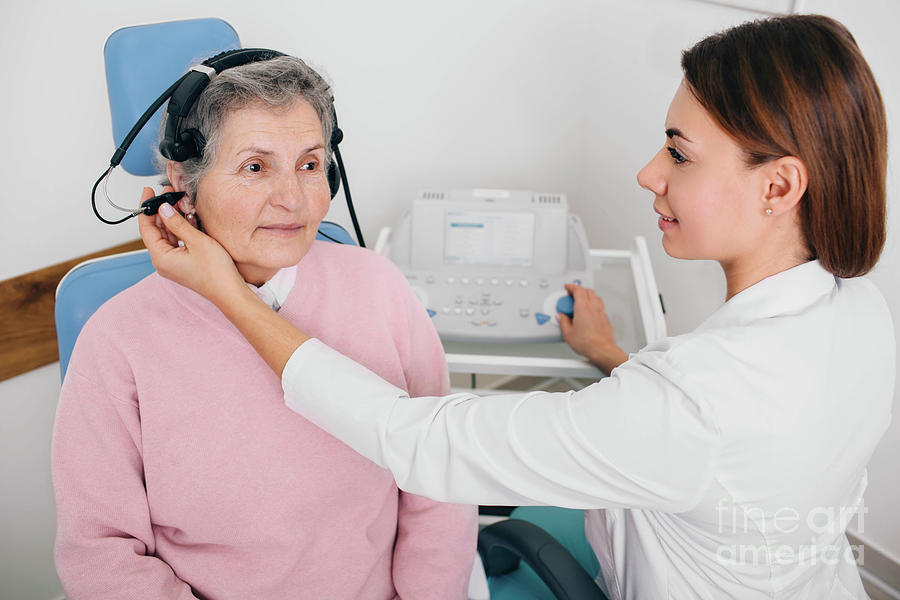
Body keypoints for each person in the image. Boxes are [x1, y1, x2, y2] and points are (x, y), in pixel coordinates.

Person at [138, 15, 894, 600]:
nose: (646, 172)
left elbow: (416, 441)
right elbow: (725, 445)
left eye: (679, 153)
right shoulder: (864, 311)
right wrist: (615, 362)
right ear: (184, 181)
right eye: (254, 167)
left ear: (778, 186)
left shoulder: (695, 406)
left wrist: (229, 295)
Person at [52, 55, 477, 599]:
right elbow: (100, 551)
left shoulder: (379, 286)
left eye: (308, 164)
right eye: (255, 167)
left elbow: (440, 480)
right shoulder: (118, 339)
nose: (292, 199)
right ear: (182, 181)